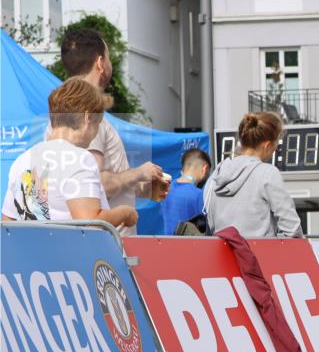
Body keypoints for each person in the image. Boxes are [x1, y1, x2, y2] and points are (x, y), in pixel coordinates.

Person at [56, 28, 167, 234]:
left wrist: (144, 188)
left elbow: (85, 184)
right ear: (100, 63)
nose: (110, 64)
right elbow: (95, 185)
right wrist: (139, 173)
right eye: (108, 58)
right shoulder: (86, 117)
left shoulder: (65, 114)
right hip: (107, 250)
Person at [3, 77, 137, 229]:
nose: (96, 131)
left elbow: (8, 225)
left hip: (32, 251)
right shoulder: (79, 158)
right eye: (98, 123)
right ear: (87, 118)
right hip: (76, 252)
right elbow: (91, 224)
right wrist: (124, 213)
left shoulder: (22, 161)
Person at [204, 112, 303, 238]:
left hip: (223, 254)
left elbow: (210, 221)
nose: (275, 150)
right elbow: (292, 229)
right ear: (267, 145)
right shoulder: (268, 173)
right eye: (276, 145)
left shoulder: (218, 173)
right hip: (259, 255)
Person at [162, 148, 211, 235]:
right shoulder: (199, 195)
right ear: (204, 169)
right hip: (191, 247)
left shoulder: (165, 189)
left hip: (167, 246)